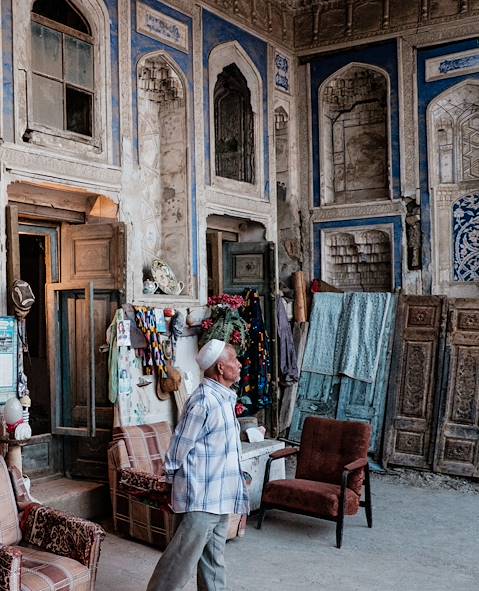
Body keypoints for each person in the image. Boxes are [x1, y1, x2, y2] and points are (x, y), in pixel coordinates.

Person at [146, 339, 249, 591]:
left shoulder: (224, 398)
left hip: (220, 495)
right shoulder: (203, 401)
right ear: (221, 368)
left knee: (213, 561)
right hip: (202, 497)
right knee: (179, 562)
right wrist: (168, 481)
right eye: (234, 359)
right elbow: (179, 445)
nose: (239, 364)